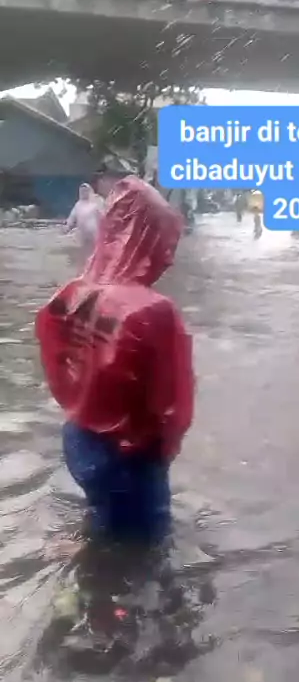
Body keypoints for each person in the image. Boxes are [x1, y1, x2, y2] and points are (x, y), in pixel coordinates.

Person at [36, 176, 194, 547]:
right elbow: (169, 404)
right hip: (130, 452)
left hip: (79, 438)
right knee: (148, 548)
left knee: (103, 517)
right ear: (149, 239)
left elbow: (54, 359)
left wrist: (84, 409)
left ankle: (88, 560)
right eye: (165, 240)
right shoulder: (153, 310)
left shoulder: (73, 292)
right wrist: (160, 454)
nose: (169, 255)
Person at [65, 183, 103, 262]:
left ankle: (95, 263)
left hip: (94, 232)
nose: (84, 192)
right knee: (84, 251)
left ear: (89, 191)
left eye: (85, 191)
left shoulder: (96, 203)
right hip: (82, 233)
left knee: (95, 250)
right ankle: (86, 264)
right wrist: (67, 227)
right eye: (82, 191)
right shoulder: (78, 204)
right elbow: (72, 217)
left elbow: (103, 215)